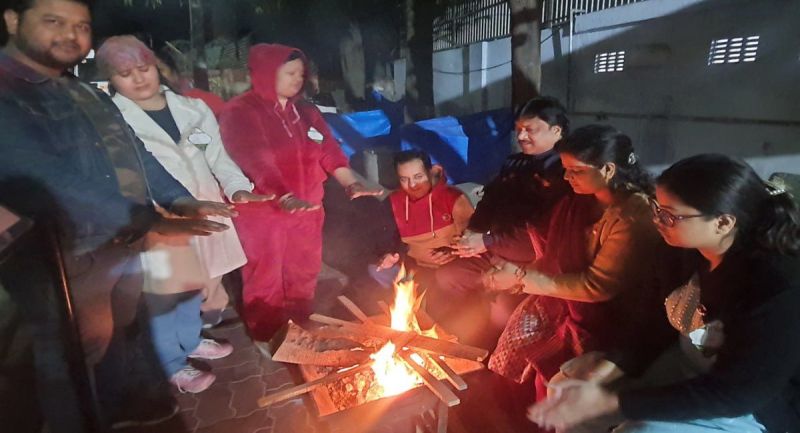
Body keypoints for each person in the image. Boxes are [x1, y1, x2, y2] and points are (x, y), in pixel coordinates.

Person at [0, 0, 233, 427]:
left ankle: (118, 407)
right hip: (59, 253)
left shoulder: (83, 93)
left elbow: (134, 153)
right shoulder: (8, 91)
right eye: (54, 21)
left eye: (81, 25)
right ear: (13, 20)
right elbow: (43, 175)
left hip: (118, 241)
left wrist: (179, 199)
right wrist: (145, 219)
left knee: (121, 332)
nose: (71, 34)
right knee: (72, 356)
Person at [528, 154, 800, 433]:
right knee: (566, 388)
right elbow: (651, 324)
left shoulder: (775, 286)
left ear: (723, 223)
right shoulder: (677, 253)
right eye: (657, 208)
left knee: (642, 430)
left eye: (671, 216)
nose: (657, 220)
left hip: (747, 403)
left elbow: (738, 392)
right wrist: (606, 370)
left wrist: (613, 403)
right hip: (684, 363)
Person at [95, 35, 274, 393]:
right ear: (110, 79)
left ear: (156, 66)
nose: (138, 79)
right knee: (163, 296)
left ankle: (190, 340)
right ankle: (172, 365)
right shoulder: (111, 122)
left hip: (204, 208)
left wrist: (237, 187)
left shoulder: (192, 110)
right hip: (156, 221)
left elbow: (216, 156)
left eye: (143, 68)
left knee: (195, 283)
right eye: (125, 74)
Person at [484, 125, 670, 407]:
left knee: (548, 375)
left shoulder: (633, 215)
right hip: (567, 301)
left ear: (608, 170)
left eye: (576, 170)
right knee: (513, 340)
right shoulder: (578, 202)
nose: (566, 177)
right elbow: (554, 257)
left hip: (614, 317)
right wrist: (513, 277)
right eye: (566, 169)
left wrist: (521, 277)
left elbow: (598, 286)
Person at [219, 43, 382, 340]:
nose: (298, 79)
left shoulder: (305, 112)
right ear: (267, 73)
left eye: (300, 73)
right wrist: (284, 195)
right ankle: (266, 331)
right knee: (265, 274)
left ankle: (299, 321)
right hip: (264, 211)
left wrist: (350, 181)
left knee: (304, 268)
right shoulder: (241, 111)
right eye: (290, 73)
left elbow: (328, 150)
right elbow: (255, 158)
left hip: (307, 207)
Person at [429, 96, 571, 346]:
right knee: (448, 276)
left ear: (556, 131)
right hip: (493, 249)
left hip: (531, 261)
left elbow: (539, 235)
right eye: (519, 129)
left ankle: (492, 354)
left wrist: (487, 241)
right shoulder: (514, 163)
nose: (522, 136)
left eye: (530, 129)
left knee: (502, 311)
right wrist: (469, 236)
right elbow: (489, 202)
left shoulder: (564, 172)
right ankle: (457, 342)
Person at [370, 149, 474, 288]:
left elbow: (471, 237)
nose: (412, 185)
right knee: (376, 270)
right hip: (413, 266)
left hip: (451, 266)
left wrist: (451, 252)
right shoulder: (393, 203)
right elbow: (388, 240)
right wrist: (390, 255)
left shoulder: (453, 199)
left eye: (418, 177)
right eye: (404, 179)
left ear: (431, 172)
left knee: (446, 277)